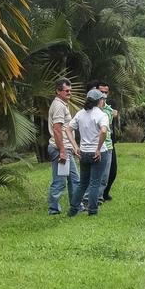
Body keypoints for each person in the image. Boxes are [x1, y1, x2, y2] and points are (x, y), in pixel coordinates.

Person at [68, 89, 110, 216]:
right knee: (95, 183)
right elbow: (103, 131)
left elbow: (68, 129)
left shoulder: (80, 114)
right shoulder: (101, 115)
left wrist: (75, 147)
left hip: (84, 153)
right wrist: (98, 148)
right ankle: (92, 211)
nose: (103, 101)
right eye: (102, 99)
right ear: (99, 101)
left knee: (83, 183)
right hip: (98, 153)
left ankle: (73, 210)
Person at [46, 78, 80, 215]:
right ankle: (53, 209)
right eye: (66, 91)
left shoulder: (61, 104)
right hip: (60, 149)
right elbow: (57, 129)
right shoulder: (59, 106)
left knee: (73, 179)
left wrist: (73, 147)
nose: (69, 93)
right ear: (58, 91)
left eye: (70, 90)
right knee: (60, 181)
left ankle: (76, 205)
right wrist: (62, 151)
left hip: (65, 148)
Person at [97, 81, 118, 202]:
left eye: (106, 92)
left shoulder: (109, 106)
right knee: (99, 172)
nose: (104, 94)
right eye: (101, 92)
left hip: (109, 142)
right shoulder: (94, 107)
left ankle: (104, 193)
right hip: (98, 143)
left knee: (112, 171)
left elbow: (114, 114)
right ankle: (97, 197)